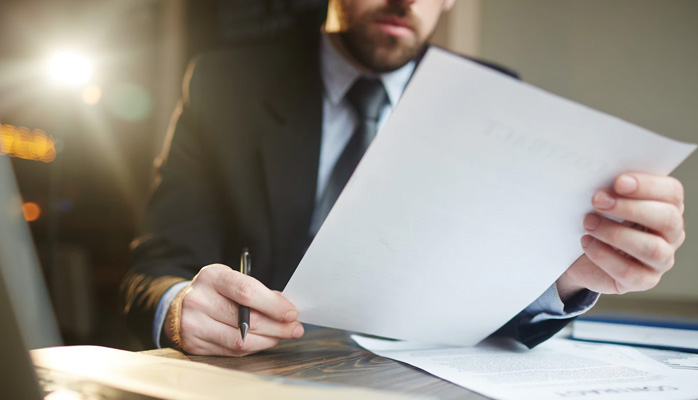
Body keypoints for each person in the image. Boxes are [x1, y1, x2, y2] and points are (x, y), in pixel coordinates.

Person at [121, 0, 686, 356]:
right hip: (255, 376)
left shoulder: (495, 98)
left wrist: (565, 277)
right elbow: (154, 267)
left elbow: (489, 291)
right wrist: (177, 309)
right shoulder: (224, 83)